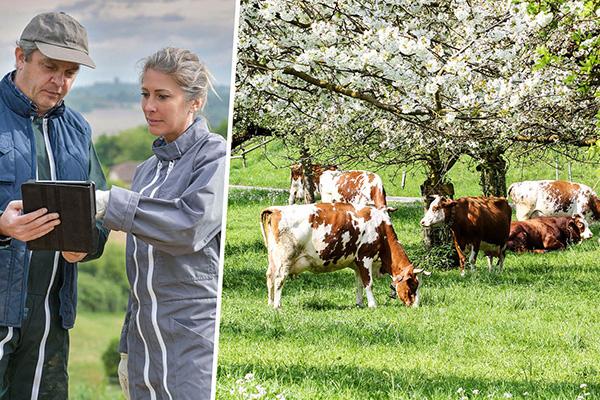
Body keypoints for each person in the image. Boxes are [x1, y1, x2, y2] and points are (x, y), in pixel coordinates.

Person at [95, 47, 226, 400]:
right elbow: (140, 278)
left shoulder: (215, 157)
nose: (149, 106)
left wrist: (111, 202)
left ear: (195, 102)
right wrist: (126, 349)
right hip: (143, 348)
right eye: (145, 94)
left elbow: (189, 225)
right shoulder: (147, 171)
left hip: (193, 344)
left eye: (163, 96)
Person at [0, 12, 109, 399]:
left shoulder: (77, 130)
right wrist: (0, 226)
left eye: (70, 72)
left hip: (50, 320)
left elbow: (101, 208)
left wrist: (88, 244)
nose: (59, 82)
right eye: (49, 67)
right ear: (20, 57)